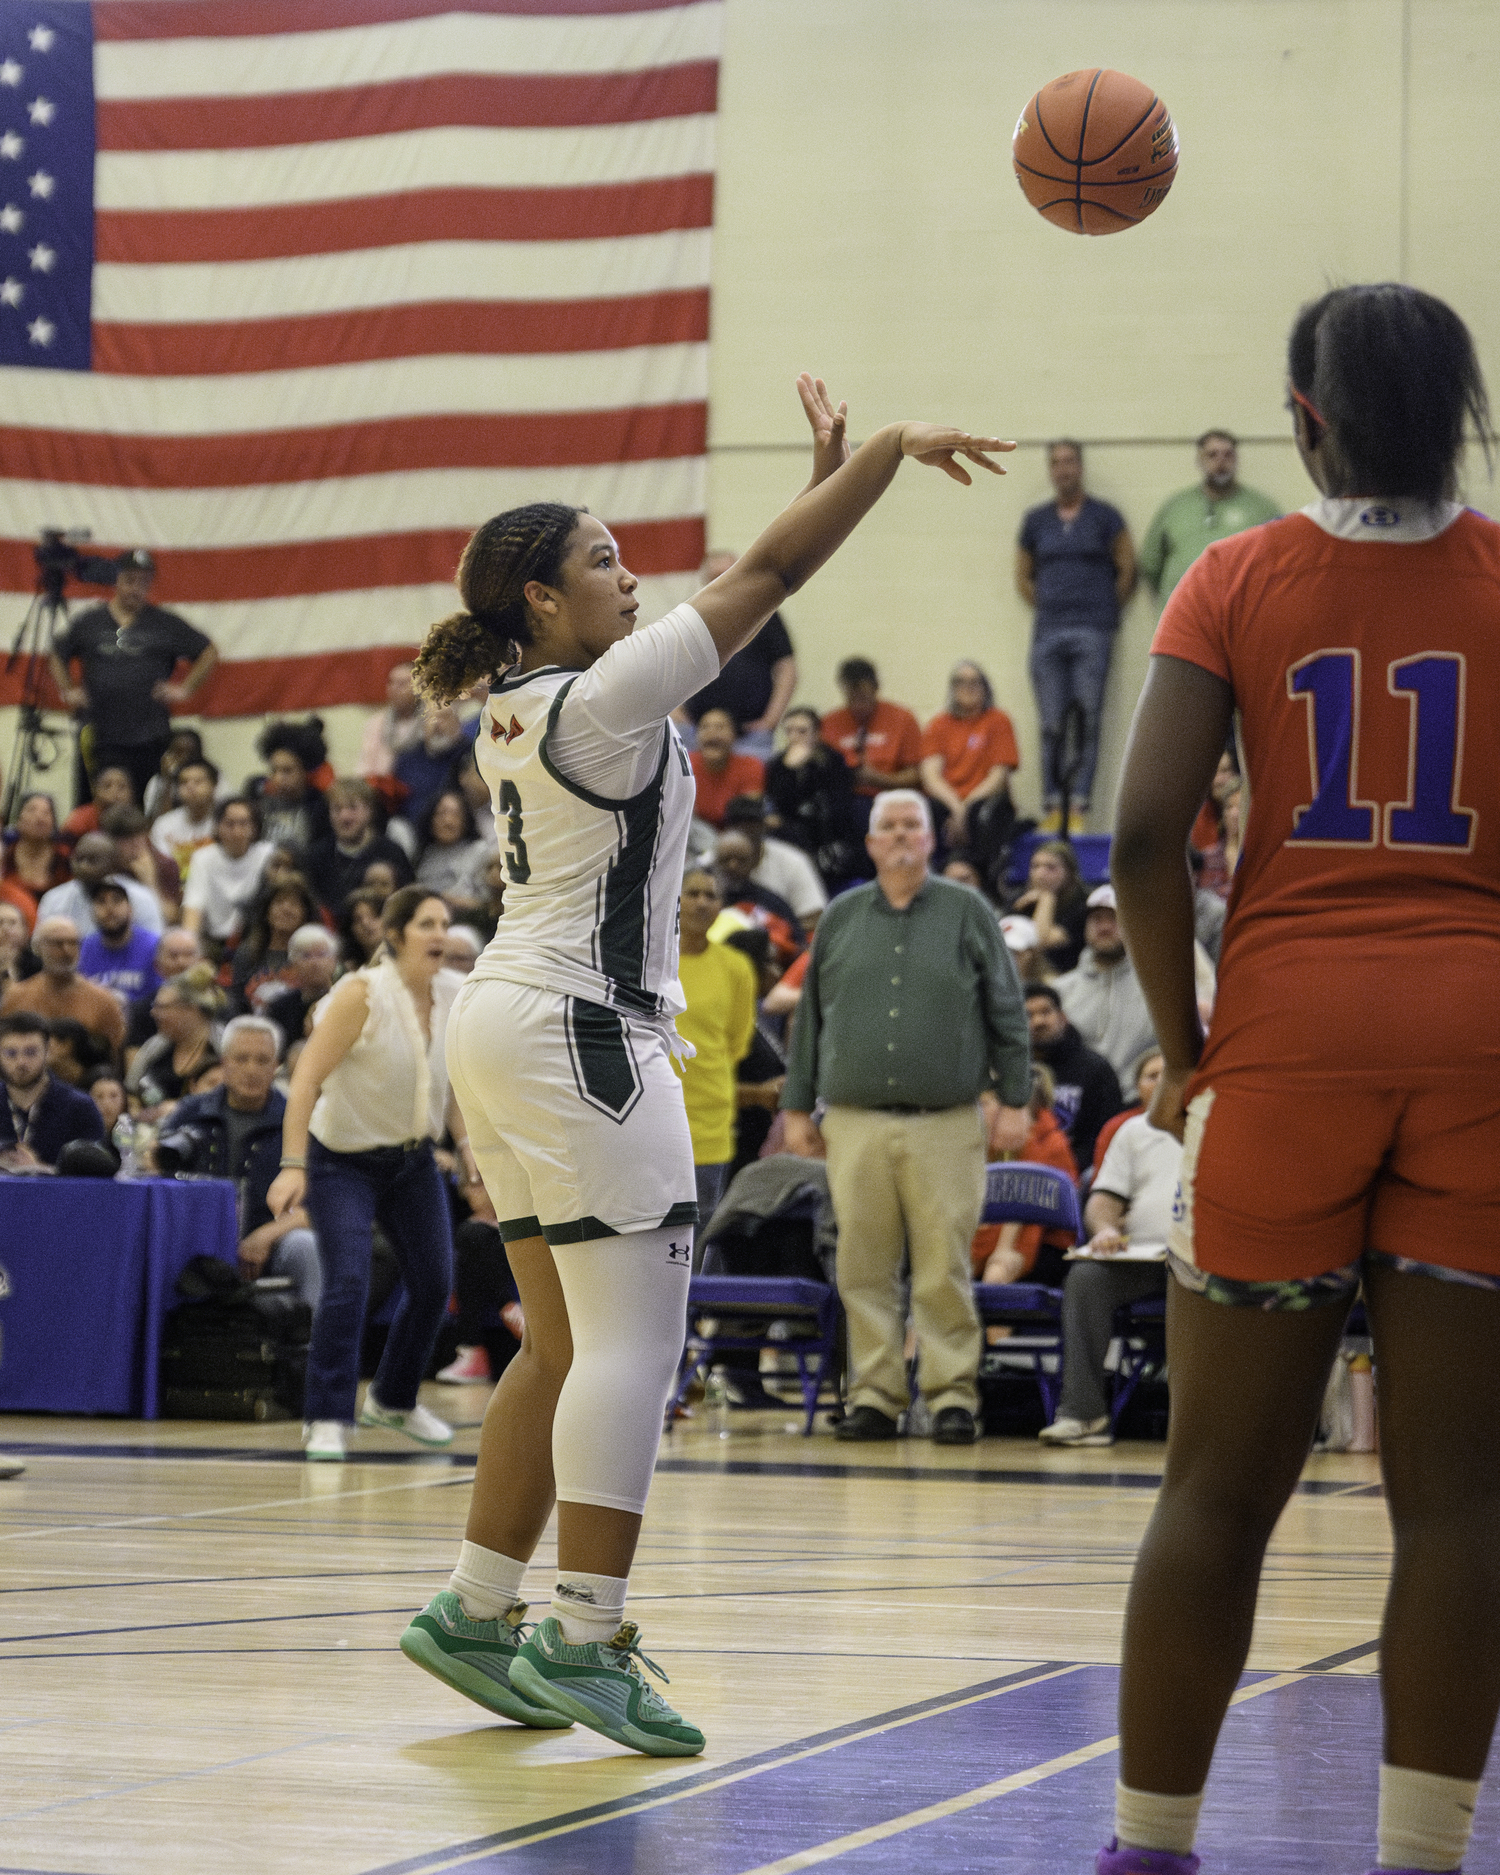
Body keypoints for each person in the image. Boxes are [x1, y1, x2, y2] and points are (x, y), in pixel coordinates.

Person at [392, 374, 1011, 1757]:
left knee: (561, 1340)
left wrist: (821, 469)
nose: (633, 573)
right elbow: (772, 569)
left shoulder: (520, 698)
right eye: (603, 558)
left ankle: (477, 1604)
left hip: (502, 1014)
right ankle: (588, 1629)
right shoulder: (605, 691)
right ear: (543, 600)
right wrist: (890, 459)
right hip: (582, 1026)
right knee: (632, 1342)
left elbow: (749, 570)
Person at [1100, 283, 1500, 1875]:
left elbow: (1142, 833)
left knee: (1217, 1488)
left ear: (1304, 421)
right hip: (1480, 1042)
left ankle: (1150, 1846)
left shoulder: (1235, 571)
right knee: (1461, 1505)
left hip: (1284, 1045)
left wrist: (1189, 1055)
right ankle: (1419, 1855)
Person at [782, 788, 1031, 1446]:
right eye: (887, 826)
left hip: (947, 1119)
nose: (898, 835)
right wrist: (796, 1106)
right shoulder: (839, 917)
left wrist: (1016, 1097)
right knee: (862, 1265)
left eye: (910, 825)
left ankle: (952, 1396)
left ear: (931, 839)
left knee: (942, 1264)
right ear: (869, 844)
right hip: (854, 1120)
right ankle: (874, 1394)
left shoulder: (967, 910)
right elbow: (810, 1017)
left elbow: (1007, 1008)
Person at [267, 887, 465, 1463]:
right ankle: (326, 1415)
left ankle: (393, 1400)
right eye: (427, 924)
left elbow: (448, 1084)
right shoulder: (360, 994)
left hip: (412, 1160)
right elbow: (304, 1082)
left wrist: (471, 1141)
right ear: (396, 933)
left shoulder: (455, 994)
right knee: (349, 1283)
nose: (440, 935)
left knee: (433, 1282)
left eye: (445, 924)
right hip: (341, 1159)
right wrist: (292, 1164)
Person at [1037, 1093, 1179, 1449]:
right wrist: (1104, 1229)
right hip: (1144, 1257)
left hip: (1210, 1257)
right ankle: (1083, 1413)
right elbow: (1103, 1202)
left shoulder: (1233, 1124)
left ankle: (1208, 1423)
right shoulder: (1134, 1130)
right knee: (1087, 1277)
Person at [156, 1017, 322, 1310]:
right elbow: (158, 1182)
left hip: (271, 1243)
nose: (251, 1070)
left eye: (262, 1060)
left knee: (307, 1247)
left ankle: (314, 1349)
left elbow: (323, 1205)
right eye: (241, 1058)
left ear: (276, 1066)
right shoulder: (190, 1113)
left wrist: (266, 1235)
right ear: (224, 1063)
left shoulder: (297, 1121)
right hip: (193, 1242)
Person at [1016, 441, 1135, 827]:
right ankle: (1053, 806)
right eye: (1056, 463)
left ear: (1080, 467)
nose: (1063, 469)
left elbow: (1127, 568)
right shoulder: (1036, 520)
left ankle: (1079, 805)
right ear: (1050, 470)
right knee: (1051, 723)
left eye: (1069, 462)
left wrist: (1099, 607)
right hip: (1048, 630)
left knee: (1087, 719)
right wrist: (1052, 604)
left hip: (1093, 631)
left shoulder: (1106, 516)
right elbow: (1023, 576)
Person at [48, 549, 219, 806]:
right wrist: (68, 689)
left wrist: (184, 689)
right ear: (117, 580)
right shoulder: (90, 622)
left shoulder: (164, 623)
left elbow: (208, 652)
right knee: (96, 807)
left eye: (143, 582)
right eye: (130, 580)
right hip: (100, 734)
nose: (136, 588)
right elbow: (57, 653)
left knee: (145, 806)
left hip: (149, 736)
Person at [674, 868, 759, 1234]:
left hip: (709, 1121)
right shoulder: (647, 963)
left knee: (701, 1231)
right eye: (692, 893)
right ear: (673, 901)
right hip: (650, 1116)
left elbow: (737, 1043)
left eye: (710, 896)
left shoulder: (736, 967)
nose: (701, 902)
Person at [676, 548, 798, 758]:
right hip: (698, 735)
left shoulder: (765, 614)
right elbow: (666, 671)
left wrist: (770, 721)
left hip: (752, 735)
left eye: (728, 574)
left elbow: (786, 669)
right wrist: (676, 715)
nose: (722, 581)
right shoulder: (688, 618)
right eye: (716, 577)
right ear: (705, 581)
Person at [1138, 430, 1280, 603]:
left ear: (1236, 460)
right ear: (1199, 460)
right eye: (1212, 455)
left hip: (1241, 613)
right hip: (1183, 612)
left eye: (1228, 454)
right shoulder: (1176, 506)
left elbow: (1279, 562)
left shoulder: (1262, 508)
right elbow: (1151, 563)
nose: (1221, 461)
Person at [918, 661, 1021, 877]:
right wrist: (957, 809)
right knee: (924, 810)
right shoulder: (939, 724)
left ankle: (982, 879)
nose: (968, 687)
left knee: (980, 814)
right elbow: (930, 776)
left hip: (985, 800)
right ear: (952, 689)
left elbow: (998, 776)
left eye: (975, 682)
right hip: (948, 801)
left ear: (986, 688)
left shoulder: (998, 720)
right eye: (961, 682)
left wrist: (965, 809)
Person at [1054, 885, 1158, 1097]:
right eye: (1096, 920)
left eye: (1114, 919)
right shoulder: (1061, 990)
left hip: (1140, 1105)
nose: (1104, 927)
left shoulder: (1159, 986)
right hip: (1080, 1112)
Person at [1021, 982, 1121, 1189]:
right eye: (1028, 1015)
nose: (1038, 1021)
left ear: (1063, 1018)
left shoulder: (1096, 1069)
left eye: (1045, 1012)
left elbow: (1105, 1134)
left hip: (1080, 1174)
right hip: (1023, 1170)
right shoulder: (1008, 1072)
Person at [1, 917, 126, 1062]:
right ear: (38, 947)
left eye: (72, 943)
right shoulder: (16, 997)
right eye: (57, 943)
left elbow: (115, 1058)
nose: (66, 950)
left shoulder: (103, 1001)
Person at [762, 706, 862, 886]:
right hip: (793, 828)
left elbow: (840, 803)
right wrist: (791, 771)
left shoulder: (833, 760)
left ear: (816, 734)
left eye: (802, 731)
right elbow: (780, 804)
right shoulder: (778, 764)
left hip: (828, 829)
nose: (794, 737)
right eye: (789, 731)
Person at [0, 1010, 107, 1168]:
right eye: (10, 1053)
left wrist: (40, 1170)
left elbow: (95, 1180)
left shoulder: (80, 1108)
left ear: (48, 1051)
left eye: (31, 1052)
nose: (21, 1062)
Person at [819, 656, 923, 808]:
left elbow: (917, 775)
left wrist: (878, 779)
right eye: (851, 698)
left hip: (890, 798)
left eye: (863, 698)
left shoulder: (902, 718)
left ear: (876, 688)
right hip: (843, 798)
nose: (858, 706)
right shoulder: (829, 722)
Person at [304, 778, 414, 916]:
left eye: (352, 808)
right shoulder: (316, 855)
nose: (344, 816)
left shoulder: (391, 853)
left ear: (369, 811)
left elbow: (407, 903)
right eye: (337, 809)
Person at [126, 963, 225, 1115]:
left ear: (190, 1009)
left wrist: (181, 1108)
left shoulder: (226, 1047)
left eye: (161, 1007)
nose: (153, 1013)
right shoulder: (154, 1048)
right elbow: (131, 1092)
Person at [720, 794, 828, 930]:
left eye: (753, 832)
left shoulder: (793, 861)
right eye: (741, 833)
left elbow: (815, 919)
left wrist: (777, 932)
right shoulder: (708, 864)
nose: (733, 865)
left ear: (764, 829)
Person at [36, 830, 163, 941]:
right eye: (79, 859)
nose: (83, 866)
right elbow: (40, 947)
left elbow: (154, 949)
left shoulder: (141, 898)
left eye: (92, 860)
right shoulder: (54, 898)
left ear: (113, 864)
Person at [180, 800, 273, 949]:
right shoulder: (202, 858)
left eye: (243, 824)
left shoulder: (268, 855)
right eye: (230, 824)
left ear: (255, 827)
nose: (237, 831)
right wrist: (188, 947)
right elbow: (193, 907)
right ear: (217, 827)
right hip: (213, 941)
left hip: (255, 940)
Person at [228, 875, 320, 1015]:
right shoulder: (247, 952)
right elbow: (237, 1005)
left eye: (294, 904)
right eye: (279, 902)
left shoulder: (314, 955)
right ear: (267, 912)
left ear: (305, 914)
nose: (286, 909)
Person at [1006, 837, 1090, 972]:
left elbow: (1041, 942)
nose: (1040, 874)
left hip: (1066, 974)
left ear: (1069, 873)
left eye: (1051, 867)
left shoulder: (1082, 904)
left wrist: (1046, 897)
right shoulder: (1019, 900)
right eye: (1035, 866)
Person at [251, 719, 331, 854]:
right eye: (273, 771)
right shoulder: (259, 806)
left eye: (287, 771)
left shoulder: (321, 808)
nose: (277, 778)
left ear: (305, 772)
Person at [78, 880, 161, 1009]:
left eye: (117, 900)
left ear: (130, 909)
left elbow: (160, 996)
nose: (109, 908)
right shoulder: (82, 949)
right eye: (101, 901)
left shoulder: (154, 947)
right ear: (92, 913)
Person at [262, 924, 340, 1052]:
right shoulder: (279, 1008)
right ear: (293, 964)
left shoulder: (346, 1000)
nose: (315, 963)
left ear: (334, 960)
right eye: (306, 956)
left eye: (321, 955)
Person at [688, 705, 766, 829]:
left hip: (735, 832)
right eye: (705, 727)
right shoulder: (685, 763)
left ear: (734, 734)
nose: (711, 732)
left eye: (720, 727)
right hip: (694, 831)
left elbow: (748, 816)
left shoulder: (750, 765)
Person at [2, 792, 70, 932]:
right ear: (18, 819)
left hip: (55, 929)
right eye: (31, 810)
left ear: (54, 822)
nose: (39, 817)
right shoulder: (4, 856)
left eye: (46, 812)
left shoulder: (65, 858)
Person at [413, 789, 489, 914]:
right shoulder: (423, 854)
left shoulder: (480, 851)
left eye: (456, 814)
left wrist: (444, 899)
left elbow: (488, 904)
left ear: (466, 820)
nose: (448, 821)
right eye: (441, 814)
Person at [149, 758, 221, 878]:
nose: (190, 787)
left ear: (214, 785)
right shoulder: (163, 824)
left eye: (198, 781)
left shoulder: (226, 822)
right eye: (184, 782)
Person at [359, 660, 428, 777]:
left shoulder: (431, 720)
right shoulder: (377, 721)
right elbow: (366, 764)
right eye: (391, 683)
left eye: (402, 684)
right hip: (383, 786)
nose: (394, 689)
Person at [61, 763, 134, 842]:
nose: (114, 793)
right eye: (107, 786)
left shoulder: (137, 822)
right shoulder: (81, 818)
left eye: (121, 787)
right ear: (96, 791)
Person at [337, 886, 387, 966]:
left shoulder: (404, 961)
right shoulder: (347, 970)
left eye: (374, 915)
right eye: (358, 919)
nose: (365, 923)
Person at [0, 901, 38, 992]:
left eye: (12, 923)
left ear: (25, 931)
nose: (6, 929)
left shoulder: (37, 965)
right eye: (0, 922)